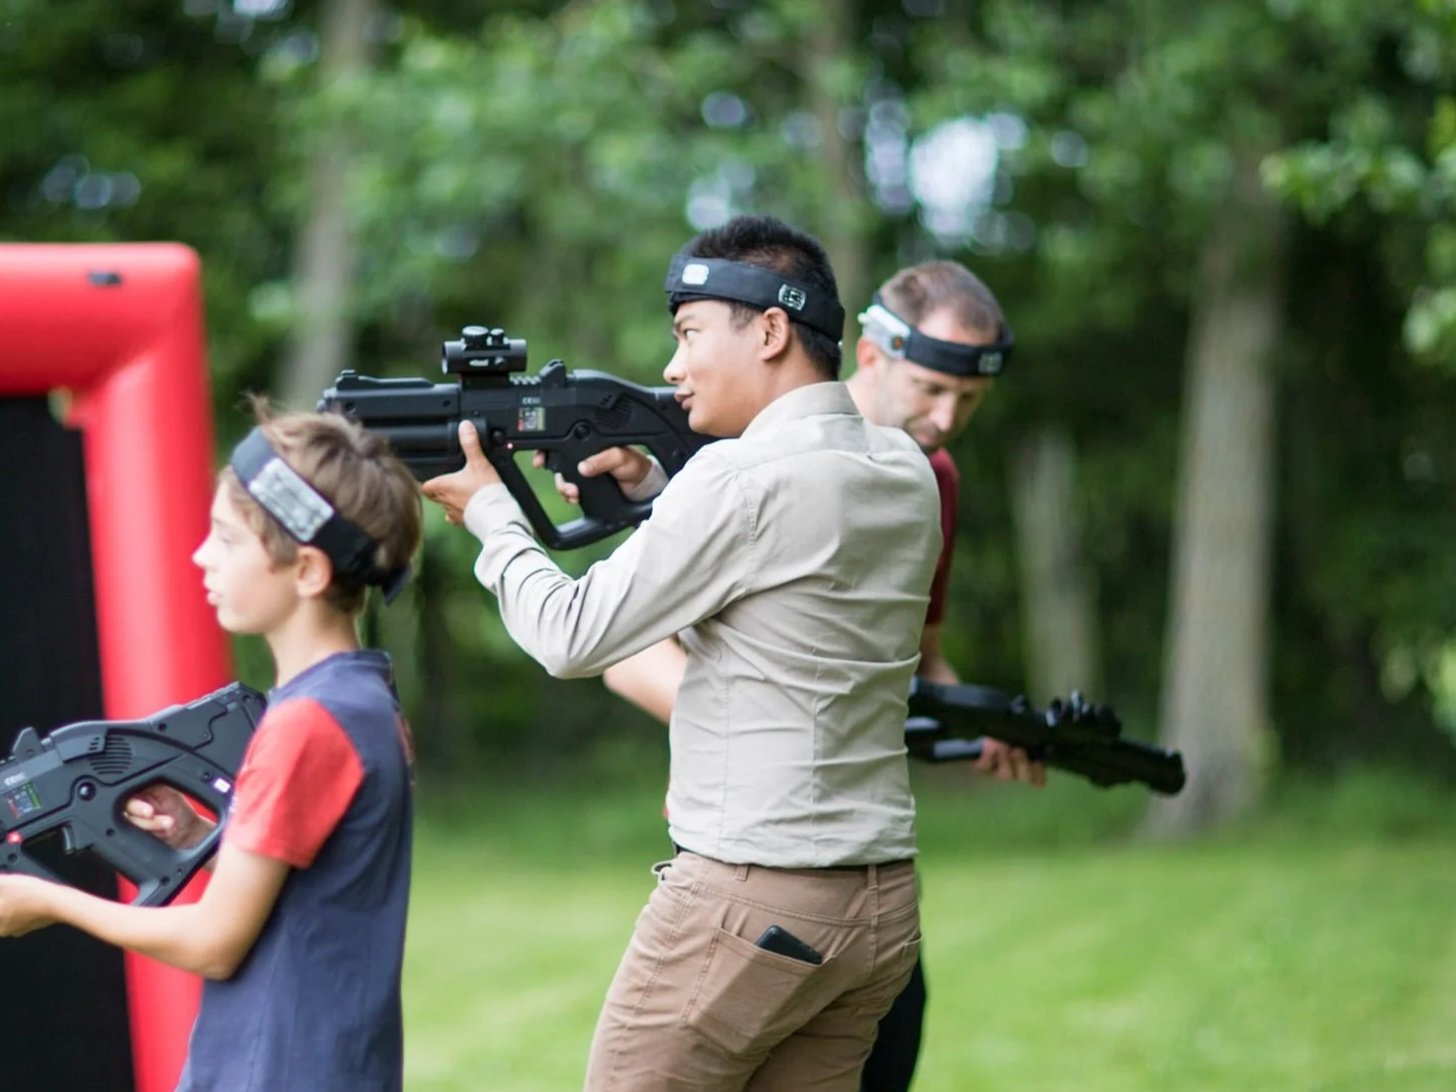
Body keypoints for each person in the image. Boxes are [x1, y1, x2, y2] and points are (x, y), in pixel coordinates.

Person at [423, 214, 941, 1091]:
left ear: (771, 330)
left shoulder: (735, 483)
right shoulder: (902, 469)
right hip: (877, 906)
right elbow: (793, 555)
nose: (671, 367)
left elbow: (571, 636)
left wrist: (491, 517)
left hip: (753, 900)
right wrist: (660, 489)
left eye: (690, 334)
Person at [597, 259, 1046, 1092]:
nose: (945, 420)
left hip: (861, 874)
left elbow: (916, 660)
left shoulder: (927, 481)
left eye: (969, 403)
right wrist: (736, 735)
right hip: (748, 856)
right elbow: (622, 649)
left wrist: (979, 727)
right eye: (929, 389)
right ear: (870, 356)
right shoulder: (730, 440)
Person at [0, 406, 422, 1091]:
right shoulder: (361, 700)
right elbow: (318, 887)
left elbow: (214, 944)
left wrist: (44, 902)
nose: (202, 554)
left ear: (308, 571)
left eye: (226, 539)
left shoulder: (306, 724)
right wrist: (204, 833)